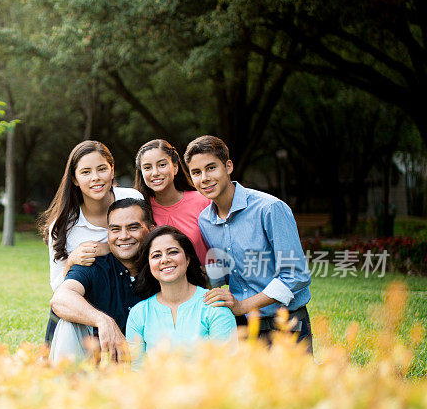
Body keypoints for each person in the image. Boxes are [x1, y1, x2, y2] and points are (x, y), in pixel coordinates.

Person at [184, 135, 313, 351]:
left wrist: (242, 305)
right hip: (242, 329)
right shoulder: (205, 220)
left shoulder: (269, 209)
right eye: (196, 172)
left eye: (211, 168)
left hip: (286, 325)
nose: (204, 178)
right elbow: (225, 272)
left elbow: (295, 275)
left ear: (228, 166)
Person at [39, 140, 143, 343]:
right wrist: (71, 262)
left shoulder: (132, 199)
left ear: (112, 170)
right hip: (90, 302)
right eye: (85, 172)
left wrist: (106, 247)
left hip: (132, 293)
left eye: (102, 169)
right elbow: (59, 290)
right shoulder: (63, 227)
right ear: (75, 179)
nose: (96, 178)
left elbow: (147, 242)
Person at [49, 198, 153, 363]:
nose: (124, 236)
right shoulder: (93, 265)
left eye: (133, 228)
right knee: (68, 324)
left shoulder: (161, 267)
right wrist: (102, 320)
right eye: (115, 229)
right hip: (96, 366)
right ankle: (65, 384)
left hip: (148, 372)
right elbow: (60, 299)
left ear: (150, 230)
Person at [126, 226, 237, 369]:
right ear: (149, 265)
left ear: (188, 259)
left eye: (173, 252)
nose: (165, 260)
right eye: (156, 255)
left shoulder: (214, 305)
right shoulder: (139, 313)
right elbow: (134, 371)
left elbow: (226, 368)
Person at [134, 139, 211, 264]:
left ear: (175, 167)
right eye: (147, 167)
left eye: (162, 165)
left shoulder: (203, 201)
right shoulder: (140, 210)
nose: (155, 173)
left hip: (207, 281)